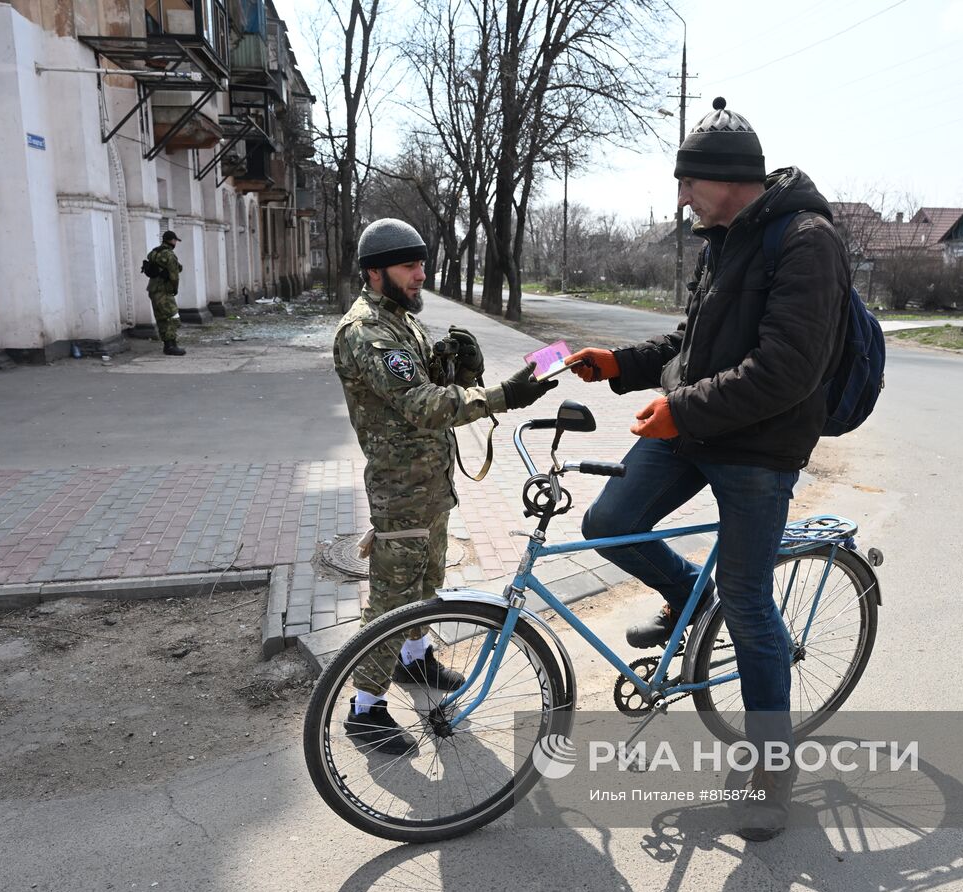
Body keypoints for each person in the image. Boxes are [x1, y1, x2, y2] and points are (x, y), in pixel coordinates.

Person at [565, 98, 851, 840]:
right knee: (610, 522)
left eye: (686, 182)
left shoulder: (807, 240)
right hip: (694, 425)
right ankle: (689, 598)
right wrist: (619, 365)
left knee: (749, 599)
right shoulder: (721, 238)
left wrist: (683, 411)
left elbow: (786, 370)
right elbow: (690, 345)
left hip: (759, 447)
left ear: (726, 179)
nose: (681, 196)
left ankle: (769, 768)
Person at [333, 217, 558, 756]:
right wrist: (499, 394)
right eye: (409, 266)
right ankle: (364, 710)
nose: (420, 275)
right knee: (392, 598)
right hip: (400, 489)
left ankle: (416, 660)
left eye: (421, 264)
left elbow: (427, 383)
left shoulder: (401, 322)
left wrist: (454, 368)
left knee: (426, 580)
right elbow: (422, 405)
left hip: (429, 484)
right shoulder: (367, 331)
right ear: (375, 272)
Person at [147, 230, 187, 356]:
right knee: (173, 317)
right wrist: (175, 289)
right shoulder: (169, 255)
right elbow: (174, 276)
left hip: (153, 290)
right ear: (171, 240)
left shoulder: (154, 252)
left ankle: (168, 344)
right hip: (164, 291)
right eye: (175, 240)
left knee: (161, 318)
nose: (176, 242)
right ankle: (171, 346)